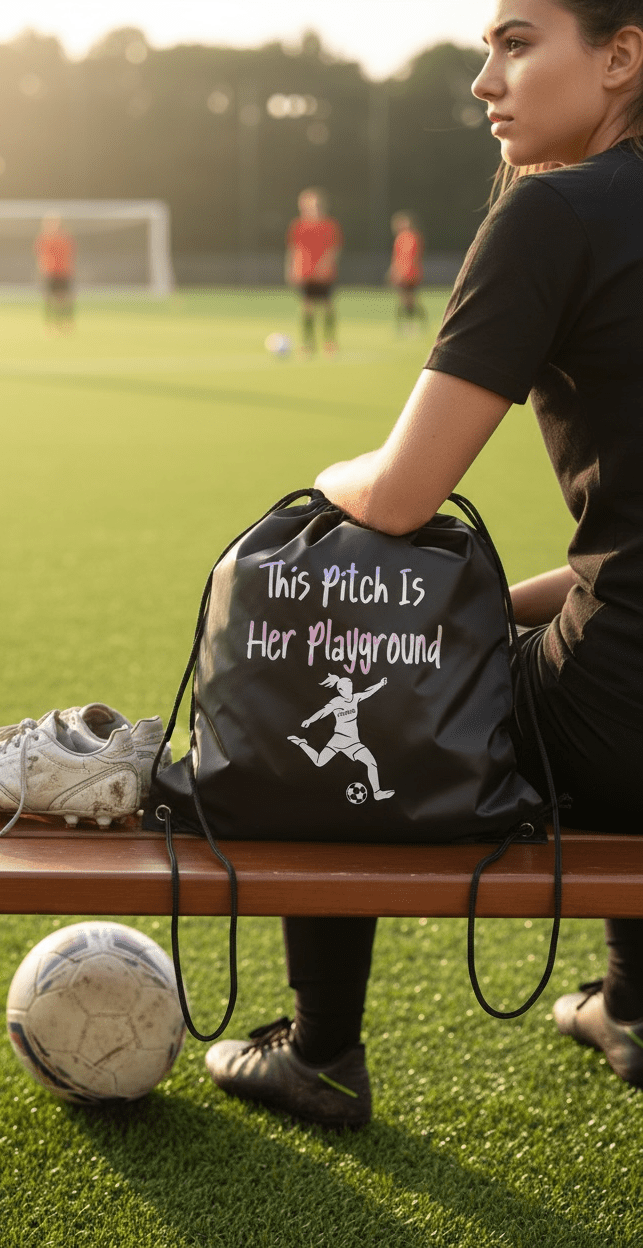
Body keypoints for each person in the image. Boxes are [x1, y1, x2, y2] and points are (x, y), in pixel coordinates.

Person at [205, 0, 643, 1129]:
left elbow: (401, 496)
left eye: (512, 41)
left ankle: (319, 1050)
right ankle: (632, 1005)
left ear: (620, 55)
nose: (480, 79)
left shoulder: (558, 210)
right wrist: (507, 604)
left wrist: (332, 476)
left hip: (632, 719)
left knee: (338, 635)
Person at [285, 189, 343, 355]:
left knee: (327, 307)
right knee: (307, 308)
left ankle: (329, 343)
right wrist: (291, 269)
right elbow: (294, 249)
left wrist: (325, 264)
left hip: (325, 274)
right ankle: (307, 345)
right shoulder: (298, 225)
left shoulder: (330, 225)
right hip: (305, 273)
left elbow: (335, 248)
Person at [34, 215, 75, 331]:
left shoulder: (65, 238)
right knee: (48, 299)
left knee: (64, 299)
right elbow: (40, 256)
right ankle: (50, 325)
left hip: (63, 272)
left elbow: (70, 255)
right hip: (50, 272)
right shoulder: (44, 238)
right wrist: (42, 270)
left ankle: (65, 323)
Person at [388, 210, 427, 328]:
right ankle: (403, 326)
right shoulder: (399, 238)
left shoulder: (414, 236)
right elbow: (397, 258)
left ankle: (417, 325)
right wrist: (394, 271)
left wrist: (405, 272)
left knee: (410, 300)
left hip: (411, 274)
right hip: (402, 274)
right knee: (403, 300)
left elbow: (413, 257)